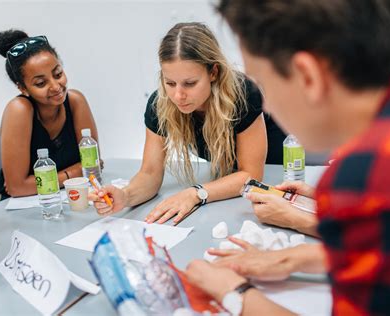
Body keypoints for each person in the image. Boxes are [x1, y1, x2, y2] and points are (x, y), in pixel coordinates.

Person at [186, 1, 390, 315]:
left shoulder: (368, 175)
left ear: (307, 76)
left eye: (263, 84)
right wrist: (291, 258)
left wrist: (233, 293)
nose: (266, 107)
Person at [91, 22, 285, 224]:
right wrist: (126, 196)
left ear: (213, 73)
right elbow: (149, 173)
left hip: (277, 173)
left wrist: (195, 193)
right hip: (229, 180)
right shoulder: (160, 105)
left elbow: (251, 174)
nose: (178, 95)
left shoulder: (243, 94)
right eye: (170, 83)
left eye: (190, 83)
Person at [0, 30, 100, 199]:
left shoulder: (75, 101)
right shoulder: (19, 110)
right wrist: (73, 174)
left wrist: (42, 181)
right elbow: (17, 188)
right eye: (41, 83)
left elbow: (94, 165)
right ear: (22, 88)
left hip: (66, 197)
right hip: (17, 205)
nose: (56, 86)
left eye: (58, 74)